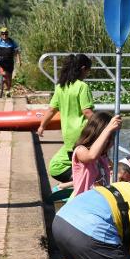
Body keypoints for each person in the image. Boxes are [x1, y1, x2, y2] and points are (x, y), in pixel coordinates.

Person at [69, 112, 121, 259]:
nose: (109, 144)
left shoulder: (102, 160)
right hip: (81, 218)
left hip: (97, 218)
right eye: (107, 139)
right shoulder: (82, 151)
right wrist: (109, 128)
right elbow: (89, 156)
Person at [37, 54, 94, 190]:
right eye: (88, 71)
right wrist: (104, 126)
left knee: (77, 165)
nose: (87, 74)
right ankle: (79, 188)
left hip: (69, 135)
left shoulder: (60, 87)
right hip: (83, 134)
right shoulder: (82, 86)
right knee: (89, 166)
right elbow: (87, 112)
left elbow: (51, 110)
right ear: (83, 68)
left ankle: (73, 186)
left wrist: (42, 126)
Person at [0, 27, 21, 97]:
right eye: (3, 34)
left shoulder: (12, 41)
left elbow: (17, 51)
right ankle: (3, 86)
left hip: (10, 61)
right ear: (0, 34)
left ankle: (7, 91)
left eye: (6, 34)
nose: (4, 35)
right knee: (4, 74)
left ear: (8, 34)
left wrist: (19, 60)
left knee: (9, 78)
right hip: (1, 61)